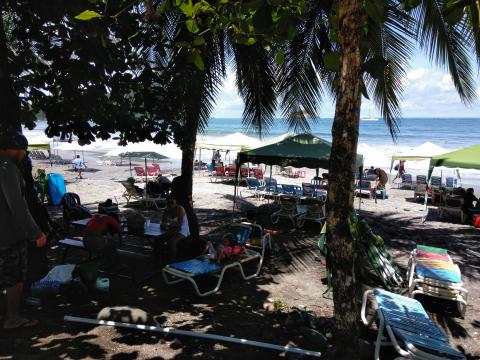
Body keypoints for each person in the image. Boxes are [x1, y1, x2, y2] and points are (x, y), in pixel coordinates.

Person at [0, 132, 46, 329]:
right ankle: (12, 318)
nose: (23, 155)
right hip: (8, 234)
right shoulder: (6, 168)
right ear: (15, 149)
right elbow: (17, 205)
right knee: (15, 277)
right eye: (22, 151)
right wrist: (35, 232)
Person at [160, 196, 190, 262]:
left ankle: (172, 260)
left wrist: (168, 224)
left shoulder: (180, 209)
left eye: (172, 202)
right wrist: (163, 224)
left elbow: (179, 223)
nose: (170, 204)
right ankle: (160, 257)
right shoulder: (167, 209)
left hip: (183, 229)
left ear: (175, 202)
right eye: (168, 203)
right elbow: (163, 221)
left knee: (172, 242)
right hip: (172, 229)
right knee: (160, 238)